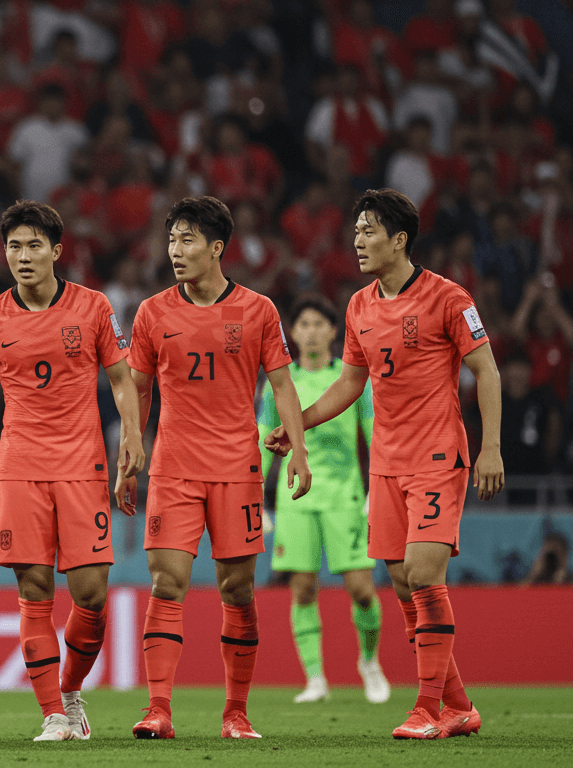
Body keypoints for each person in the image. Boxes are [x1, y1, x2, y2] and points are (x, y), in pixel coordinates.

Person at [266, 188, 504, 740]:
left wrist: (490, 447)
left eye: (369, 231)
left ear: (399, 240)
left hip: (438, 454)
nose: (358, 241)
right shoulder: (359, 305)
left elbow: (487, 371)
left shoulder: (449, 298)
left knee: (423, 575)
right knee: (400, 584)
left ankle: (425, 709)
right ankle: (460, 705)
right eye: (356, 232)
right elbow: (351, 382)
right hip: (387, 463)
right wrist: (298, 422)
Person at [125, 196, 312, 741]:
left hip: (236, 468)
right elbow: (137, 388)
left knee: (237, 589)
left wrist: (298, 449)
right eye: (171, 240)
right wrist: (127, 453)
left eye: (187, 241)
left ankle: (236, 713)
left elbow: (281, 384)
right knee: (168, 580)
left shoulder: (258, 310)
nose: (175, 251)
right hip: (173, 468)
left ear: (216, 248)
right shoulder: (152, 312)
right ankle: (158, 709)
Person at [0, 201, 145, 742]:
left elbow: (121, 379)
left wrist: (132, 436)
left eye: (33, 246)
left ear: (56, 251)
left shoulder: (93, 307)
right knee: (34, 585)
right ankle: (51, 714)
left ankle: (70, 691)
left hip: (82, 464)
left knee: (91, 593)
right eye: (14, 247)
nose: (23, 256)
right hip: (20, 464)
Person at [258, 296, 390, 705]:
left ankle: (369, 661)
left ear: (334, 332)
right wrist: (255, 496)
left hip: (345, 495)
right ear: (292, 333)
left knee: (362, 589)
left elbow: (374, 434)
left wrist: (376, 490)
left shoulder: (352, 380)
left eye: (320, 324)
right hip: (295, 497)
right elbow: (264, 440)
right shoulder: (279, 382)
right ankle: (315, 679)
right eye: (304, 324)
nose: (311, 331)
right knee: (302, 589)